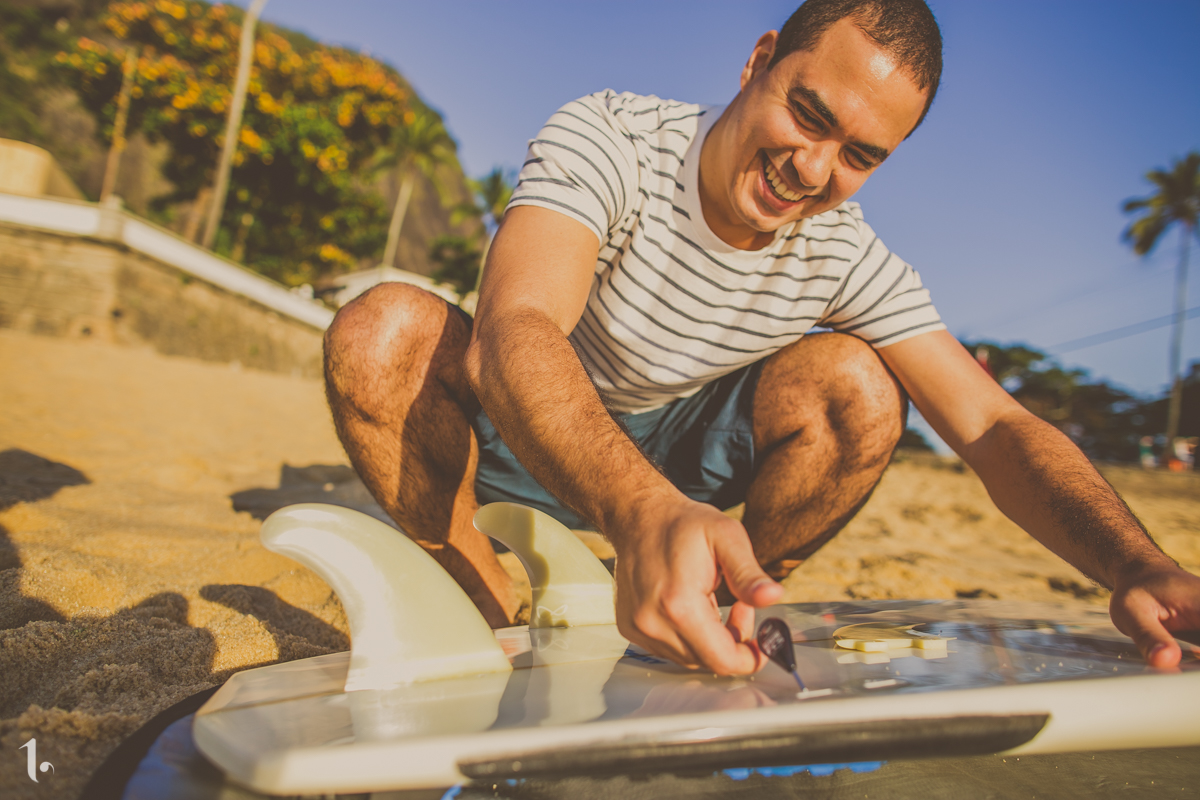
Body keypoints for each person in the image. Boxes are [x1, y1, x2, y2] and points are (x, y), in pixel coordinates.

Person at [323, 0, 1200, 674]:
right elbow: (516, 326)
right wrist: (638, 509)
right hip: (523, 431)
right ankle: (489, 603)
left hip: (680, 455)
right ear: (760, 60)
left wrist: (1135, 564)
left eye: (859, 156)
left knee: (860, 385)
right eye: (809, 115)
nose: (812, 170)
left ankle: (732, 594)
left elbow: (995, 426)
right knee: (380, 332)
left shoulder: (843, 253)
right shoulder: (615, 137)